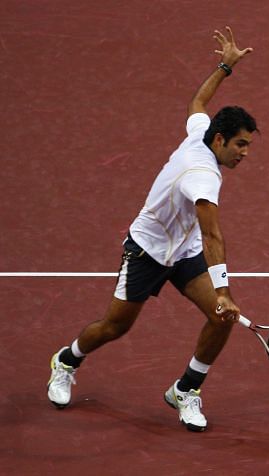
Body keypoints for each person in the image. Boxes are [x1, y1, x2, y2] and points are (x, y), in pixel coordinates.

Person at [47, 27, 257, 430]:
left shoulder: (200, 134)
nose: (245, 153)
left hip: (182, 251)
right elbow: (213, 235)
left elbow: (198, 101)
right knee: (115, 326)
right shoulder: (203, 177)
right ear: (220, 140)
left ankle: (186, 389)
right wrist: (225, 291)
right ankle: (66, 361)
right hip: (147, 250)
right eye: (240, 145)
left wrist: (224, 67)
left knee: (220, 319)